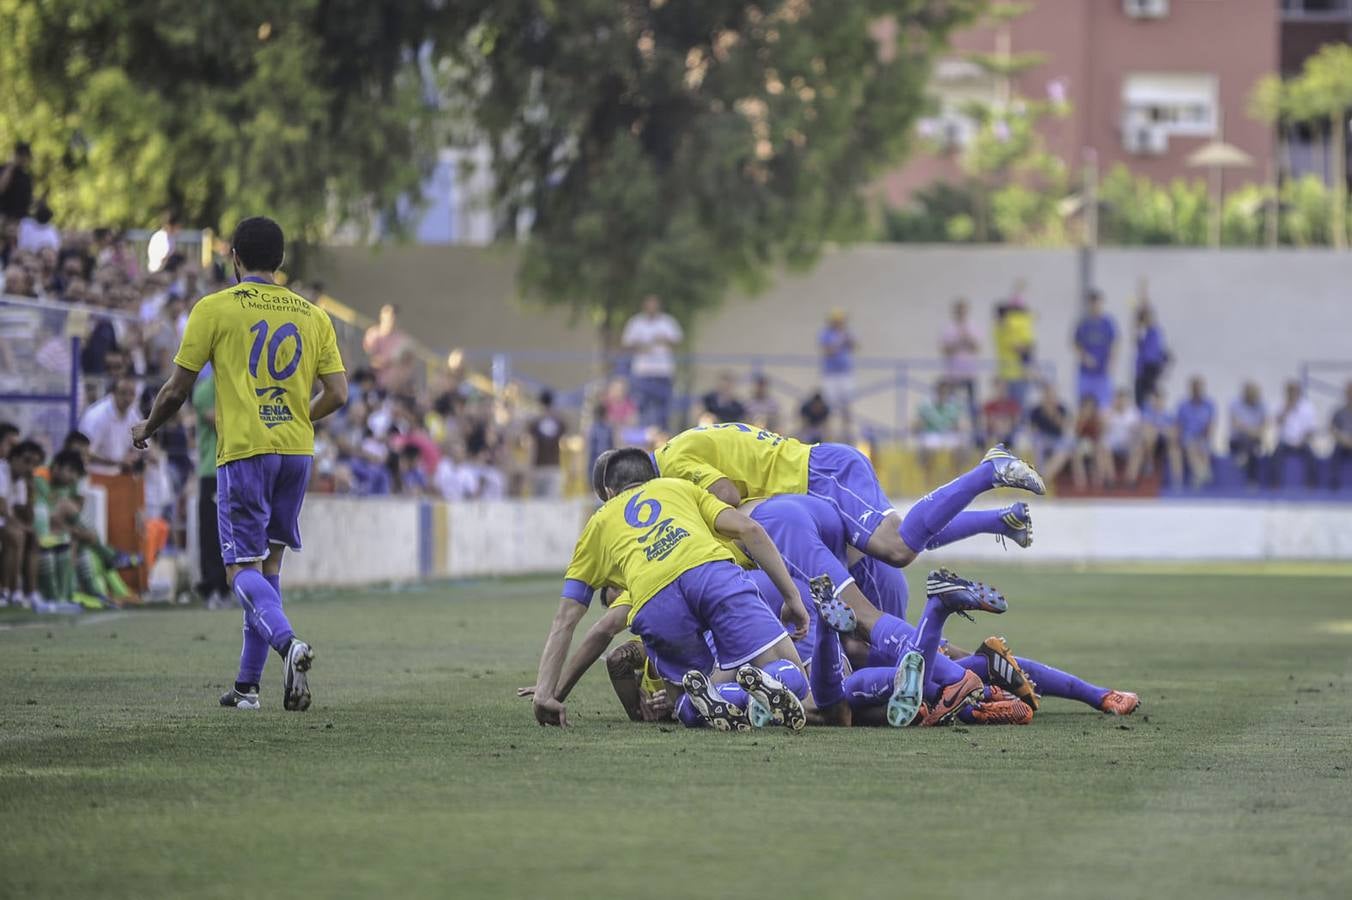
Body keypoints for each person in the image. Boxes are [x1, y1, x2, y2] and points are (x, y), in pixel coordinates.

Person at [131, 215, 348, 712]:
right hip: (296, 452)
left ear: (233, 257)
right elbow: (338, 393)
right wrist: (299, 416)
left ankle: (288, 644)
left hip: (246, 452)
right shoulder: (313, 316)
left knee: (238, 571)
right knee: (267, 567)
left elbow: (177, 389)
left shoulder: (215, 308)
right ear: (281, 262)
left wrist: (147, 426)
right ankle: (248, 688)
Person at [532, 448, 812, 730]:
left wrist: (546, 694)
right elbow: (750, 530)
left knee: (682, 701)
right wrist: (792, 597)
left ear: (608, 490)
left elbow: (565, 618)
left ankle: (717, 700)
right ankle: (771, 684)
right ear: (654, 477)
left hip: (655, 602)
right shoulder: (679, 487)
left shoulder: (598, 523)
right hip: (711, 574)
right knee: (793, 674)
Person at [653, 421, 1040, 589]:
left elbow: (727, 496)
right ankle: (1000, 520)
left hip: (819, 476)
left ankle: (988, 471)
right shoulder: (684, 443)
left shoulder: (671, 461)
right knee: (899, 538)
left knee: (897, 548)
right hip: (816, 480)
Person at [192, 365, 229, 608]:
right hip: (212, 469)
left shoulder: (235, 385)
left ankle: (229, 587)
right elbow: (221, 422)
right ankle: (212, 587)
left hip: (235, 468)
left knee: (235, 532)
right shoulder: (205, 390)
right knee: (212, 532)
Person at [621, 295, 682, 430]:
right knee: (641, 409)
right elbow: (627, 344)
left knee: (663, 411)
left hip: (663, 373)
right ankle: (642, 442)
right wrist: (643, 346)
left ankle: (663, 441)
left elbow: (677, 342)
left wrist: (663, 340)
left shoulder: (667, 322)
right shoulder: (636, 322)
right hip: (642, 373)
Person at [78, 376, 142, 476]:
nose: (127, 399)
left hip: (117, 475)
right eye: (123, 393)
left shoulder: (132, 413)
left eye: (132, 394)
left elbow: (143, 445)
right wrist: (117, 462)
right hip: (94, 475)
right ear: (113, 393)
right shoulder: (97, 416)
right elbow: (84, 452)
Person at [940, 298, 981, 431]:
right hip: (953, 374)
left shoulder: (972, 327)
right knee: (951, 406)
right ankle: (952, 431)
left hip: (969, 373)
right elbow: (946, 350)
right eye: (959, 311)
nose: (962, 314)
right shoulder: (949, 328)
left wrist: (967, 337)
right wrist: (958, 341)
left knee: (972, 406)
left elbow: (976, 348)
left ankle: (976, 435)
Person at [993, 284, 1035, 410]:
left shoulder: (1001, 329)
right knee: (1015, 407)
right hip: (1014, 373)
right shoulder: (1004, 329)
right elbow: (1020, 348)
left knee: (1017, 406)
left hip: (1014, 372)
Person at [1073, 290, 1116, 408]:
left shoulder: (1107, 323)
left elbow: (1114, 344)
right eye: (1093, 304)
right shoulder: (1083, 323)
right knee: (1084, 404)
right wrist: (1084, 356)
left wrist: (1111, 362)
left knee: (1104, 405)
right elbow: (1076, 343)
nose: (1096, 307)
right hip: (1086, 372)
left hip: (1102, 372)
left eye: (1098, 304)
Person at [1026, 383, 1074, 489]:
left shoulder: (1061, 408)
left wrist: (1055, 416)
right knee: (1038, 443)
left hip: (1057, 439)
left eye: (1052, 395)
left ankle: (1043, 477)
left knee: (1065, 448)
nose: (1050, 398)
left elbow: (1065, 426)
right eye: (1047, 395)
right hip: (1042, 438)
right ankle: (1041, 475)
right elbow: (1031, 428)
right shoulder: (1037, 410)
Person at [1271, 380, 1317, 489]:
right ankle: (1275, 483)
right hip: (1285, 442)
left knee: (1311, 455)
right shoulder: (1280, 405)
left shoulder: (1308, 407)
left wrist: (1302, 441)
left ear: (1299, 392)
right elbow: (1277, 423)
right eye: (1290, 391)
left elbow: (1311, 429)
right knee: (1275, 455)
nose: (1292, 394)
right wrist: (1287, 409)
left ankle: (1311, 484)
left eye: (1294, 391)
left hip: (1302, 442)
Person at [818, 310, 856, 437]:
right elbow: (828, 350)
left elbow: (855, 346)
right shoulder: (826, 334)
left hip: (845, 373)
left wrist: (847, 339)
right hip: (831, 375)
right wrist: (839, 340)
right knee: (829, 407)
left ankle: (846, 433)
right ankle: (829, 435)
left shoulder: (846, 333)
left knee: (846, 405)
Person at [1175, 376, 1215, 489]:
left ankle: (1200, 474)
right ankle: (1202, 472)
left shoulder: (1209, 404)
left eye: (1199, 387)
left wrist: (1207, 435)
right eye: (1195, 388)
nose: (1197, 390)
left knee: (1203, 446)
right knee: (1190, 445)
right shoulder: (1183, 405)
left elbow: (1212, 423)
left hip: (1203, 436)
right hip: (1187, 436)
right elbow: (1178, 424)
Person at [528, 389, 567, 498]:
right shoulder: (559, 422)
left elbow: (533, 446)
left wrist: (530, 467)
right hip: (554, 466)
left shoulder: (535, 423)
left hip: (538, 466)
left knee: (537, 504)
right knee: (552, 503)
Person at [1101, 388, 1144, 486]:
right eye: (1118, 399)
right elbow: (1102, 430)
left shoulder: (1133, 412)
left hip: (1127, 442)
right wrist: (1111, 413)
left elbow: (1137, 431)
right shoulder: (1107, 411)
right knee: (1104, 447)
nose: (1120, 402)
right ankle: (1111, 479)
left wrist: (1135, 433)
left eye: (1123, 399)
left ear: (1126, 401)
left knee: (1138, 447)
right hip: (1112, 442)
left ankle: (1130, 479)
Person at [1228, 382, 1267, 487]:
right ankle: (1252, 481)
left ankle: (1244, 456)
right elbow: (1236, 425)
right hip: (1237, 440)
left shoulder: (1261, 406)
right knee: (1249, 444)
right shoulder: (1235, 404)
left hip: (1254, 439)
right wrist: (1252, 431)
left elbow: (1264, 426)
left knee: (1252, 448)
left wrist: (1252, 432)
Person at [1133, 296, 1169, 409]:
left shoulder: (1155, 330)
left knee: (1151, 398)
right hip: (1142, 371)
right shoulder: (1142, 331)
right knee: (1140, 400)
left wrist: (1143, 292)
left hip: (1151, 369)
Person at [0, 142, 34, 223]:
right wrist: (11, 165)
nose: (23, 158)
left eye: (26, 156)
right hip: (4, 216)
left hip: (20, 220)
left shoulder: (27, 177)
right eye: (21, 155)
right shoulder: (4, 169)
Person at [1331, 381, 1352, 490]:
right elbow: (1332, 429)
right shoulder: (1339, 412)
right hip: (1343, 442)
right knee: (1336, 451)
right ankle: (1334, 483)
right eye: (1349, 392)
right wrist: (1342, 439)